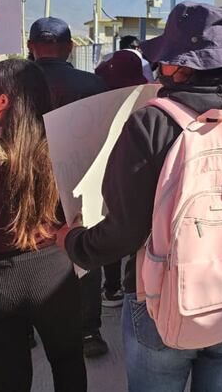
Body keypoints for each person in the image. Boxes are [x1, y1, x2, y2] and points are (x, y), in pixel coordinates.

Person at [58, 2, 222, 391]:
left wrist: (74, 243)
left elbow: (125, 231)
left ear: (177, 65)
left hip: (162, 305)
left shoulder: (150, 122)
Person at [0, 59, 86, 391]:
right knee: (69, 363)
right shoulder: (62, 142)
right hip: (53, 273)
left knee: (7, 379)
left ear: (3, 100)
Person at [28, 16, 110, 357]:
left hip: (27, 186)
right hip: (81, 183)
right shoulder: (94, 84)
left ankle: (30, 328)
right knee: (84, 253)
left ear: (31, 47)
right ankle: (88, 332)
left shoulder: (11, 84)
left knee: (27, 253)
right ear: (70, 48)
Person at [94, 47, 150, 309]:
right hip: (139, 174)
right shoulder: (148, 98)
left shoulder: (98, 98)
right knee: (137, 229)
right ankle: (132, 283)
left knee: (110, 224)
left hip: (104, 175)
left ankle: (112, 287)